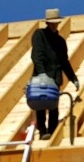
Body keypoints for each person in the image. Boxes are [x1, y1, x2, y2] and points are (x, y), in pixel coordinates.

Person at [31, 8, 79, 140]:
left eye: (56, 23)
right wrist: (41, 74)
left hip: (55, 79)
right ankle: (42, 131)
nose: (54, 25)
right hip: (42, 77)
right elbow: (36, 56)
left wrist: (73, 78)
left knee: (53, 106)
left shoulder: (60, 42)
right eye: (52, 23)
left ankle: (51, 132)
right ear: (47, 23)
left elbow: (64, 62)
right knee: (40, 105)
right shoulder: (39, 35)